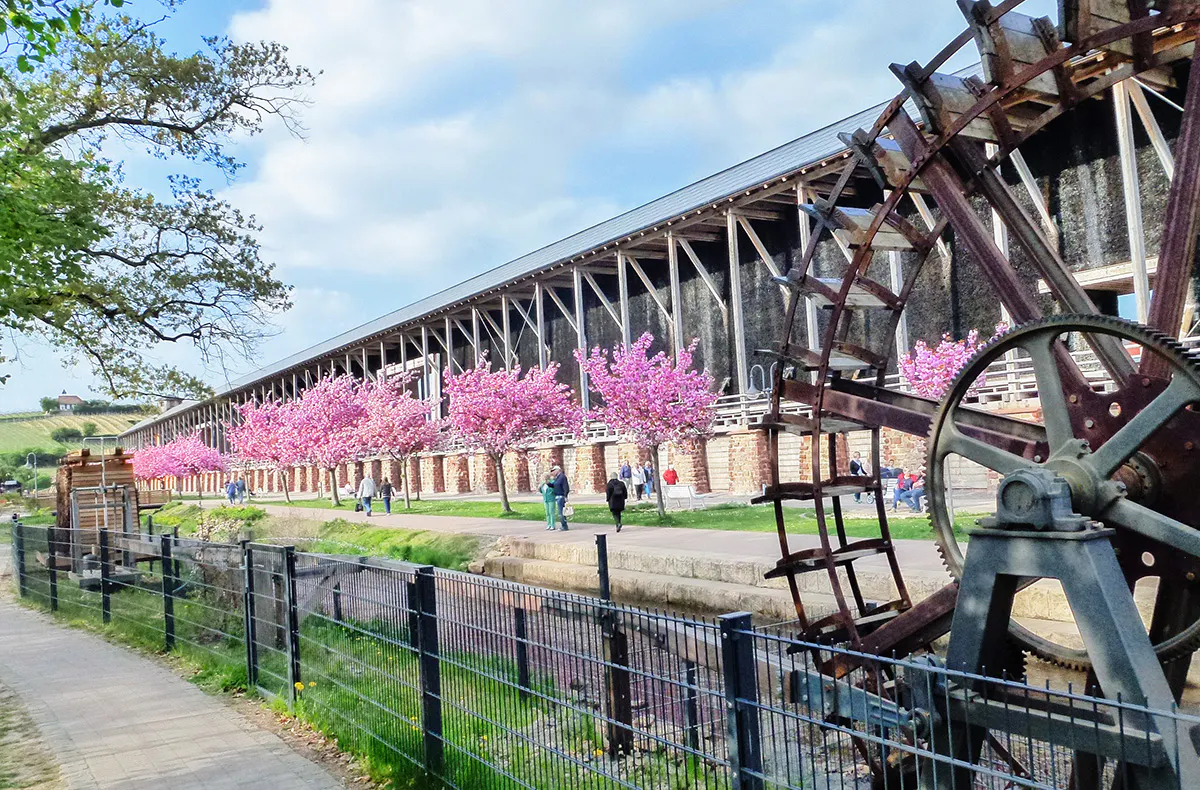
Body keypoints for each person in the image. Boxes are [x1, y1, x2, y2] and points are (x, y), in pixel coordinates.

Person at [550, 464, 570, 530]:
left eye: (553, 471)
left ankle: (564, 526)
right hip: (557, 496)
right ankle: (563, 525)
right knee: (560, 512)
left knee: (561, 512)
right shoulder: (557, 478)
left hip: (561, 496)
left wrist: (565, 496)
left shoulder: (562, 477)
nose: (552, 472)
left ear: (557, 470)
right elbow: (555, 485)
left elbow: (566, 487)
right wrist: (548, 483)